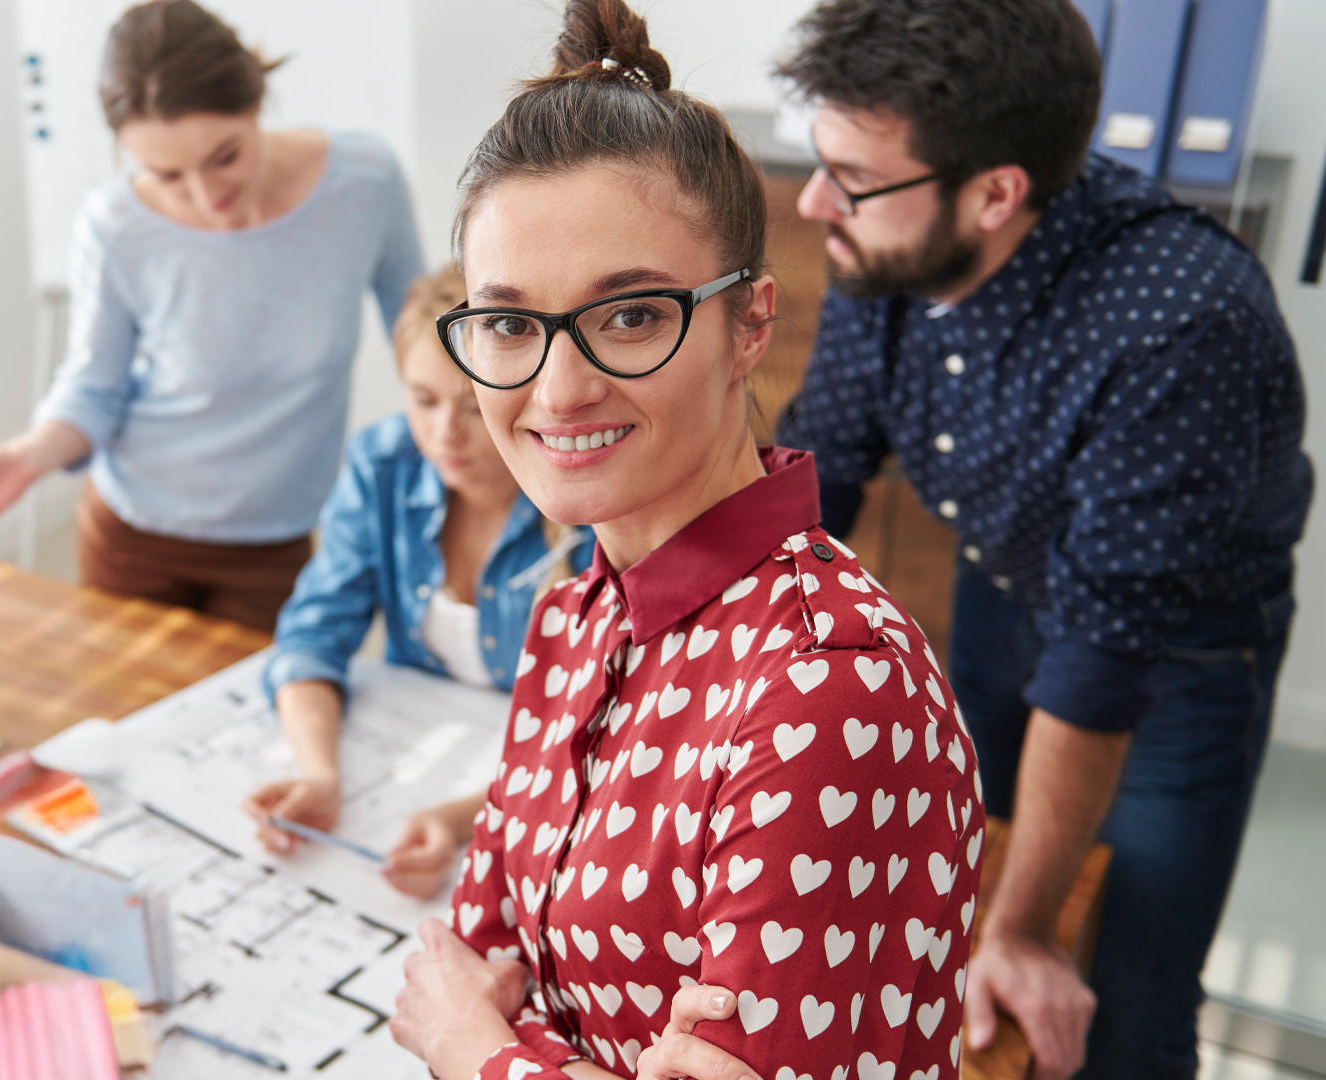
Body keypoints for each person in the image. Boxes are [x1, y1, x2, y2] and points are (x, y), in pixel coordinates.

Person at [387, 4, 984, 1078]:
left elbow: (465, 1006)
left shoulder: (829, 687)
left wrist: (479, 1048)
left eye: (630, 316)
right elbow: (485, 938)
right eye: (510, 324)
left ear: (748, 324)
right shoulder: (577, 608)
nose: (558, 391)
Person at [771, 2, 1312, 1077]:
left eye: (852, 177)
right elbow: (817, 480)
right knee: (953, 903)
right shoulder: (885, 240)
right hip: (1003, 594)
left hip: (1180, 661)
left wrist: (1020, 935)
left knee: (1120, 994)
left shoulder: (1180, 324)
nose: (813, 201)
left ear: (994, 193)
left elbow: (1105, 663)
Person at [0, 0, 423, 632]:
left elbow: (420, 335)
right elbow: (94, 388)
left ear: (255, 102)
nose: (205, 195)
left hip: (274, 539)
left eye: (224, 156)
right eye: (167, 175)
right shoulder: (115, 227)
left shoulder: (365, 182)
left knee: (258, 722)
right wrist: (26, 457)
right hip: (132, 533)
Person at [241, 265, 592, 899]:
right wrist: (320, 775)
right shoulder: (383, 464)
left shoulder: (588, 505)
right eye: (422, 400)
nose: (442, 435)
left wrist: (461, 821)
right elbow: (312, 634)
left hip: (541, 806)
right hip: (413, 765)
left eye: (472, 405)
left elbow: (604, 730)